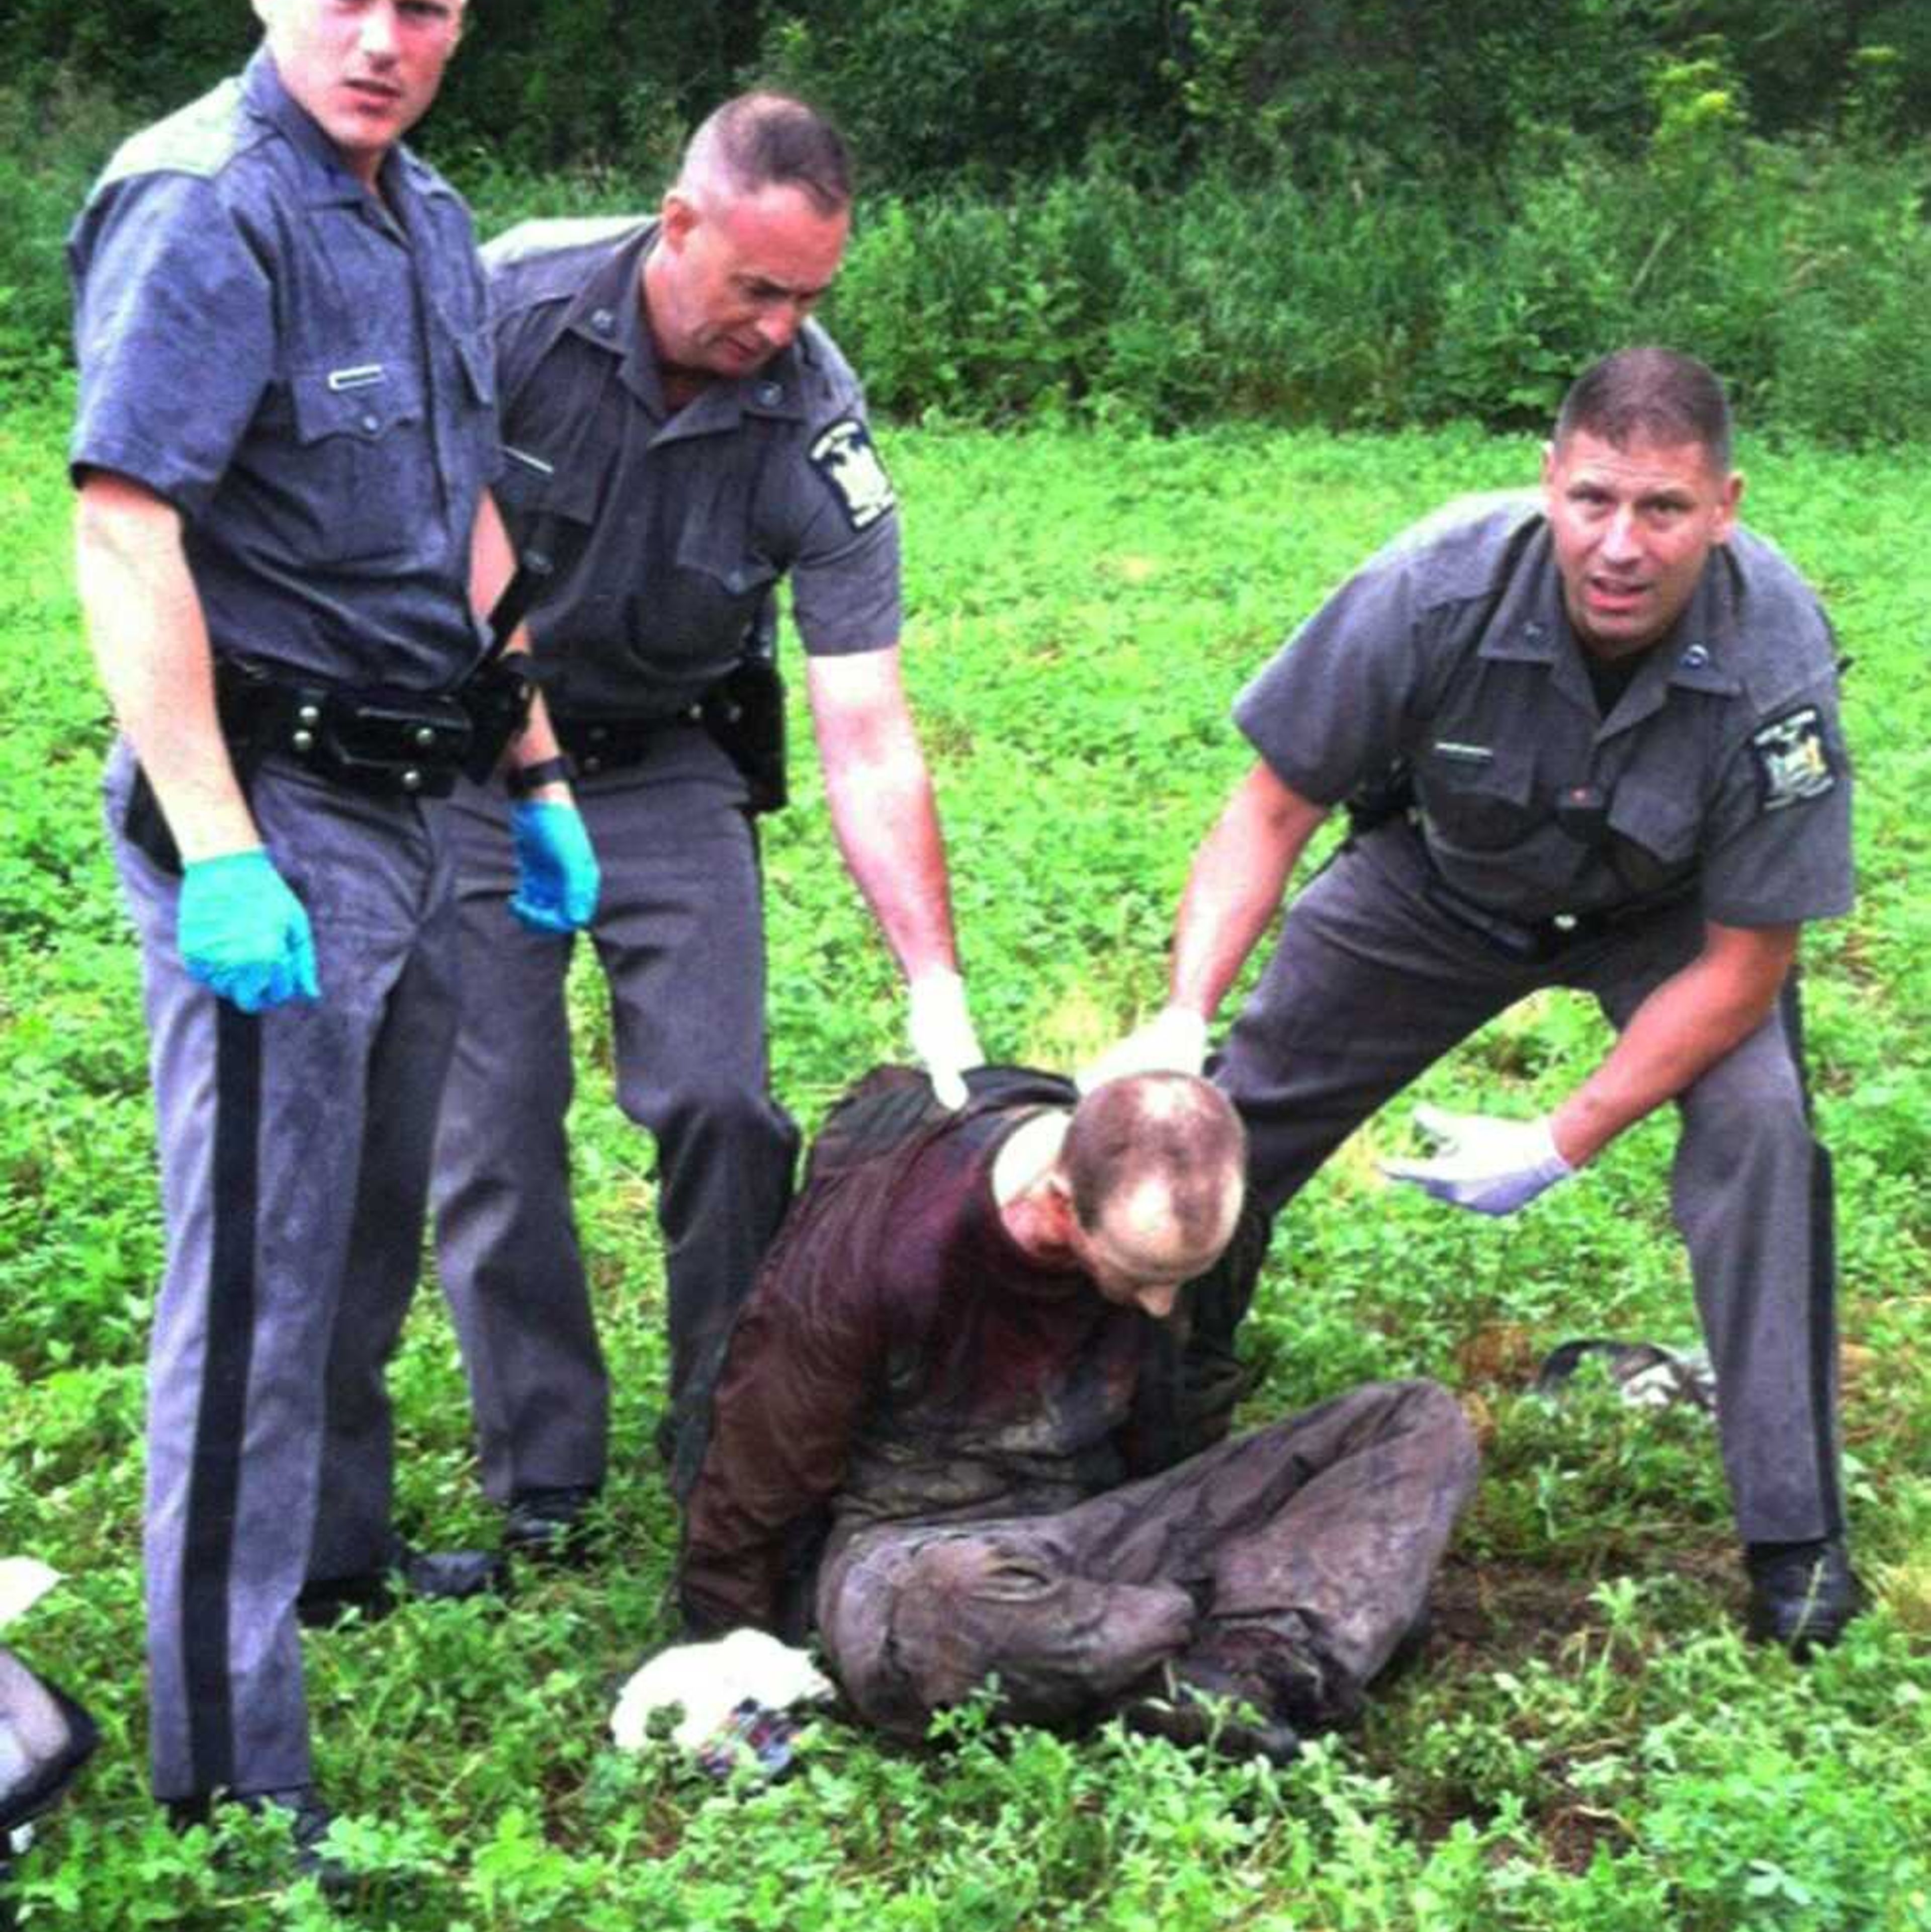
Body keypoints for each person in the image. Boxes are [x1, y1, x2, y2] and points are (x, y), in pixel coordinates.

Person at [68, 0, 598, 1866]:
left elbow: (464, 513)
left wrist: (536, 768)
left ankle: (343, 1554)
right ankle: (225, 1768)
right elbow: (128, 532)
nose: (382, 35)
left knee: (370, 1224)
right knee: (259, 1284)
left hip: (425, 793)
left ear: (459, 15)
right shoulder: (207, 207)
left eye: (423, 2)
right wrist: (218, 846)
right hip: (270, 802)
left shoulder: (422, 214)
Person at [1087, 348, 1859, 1654]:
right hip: (1441, 884)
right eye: (1596, 498)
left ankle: (1795, 1533)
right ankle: (1147, 1387)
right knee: (1226, 1111)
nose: (1621, 543)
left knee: (1763, 1133)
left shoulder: (1778, 663)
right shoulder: (1431, 584)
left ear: (1724, 506)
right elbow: (1273, 806)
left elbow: (1745, 960)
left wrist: (1563, 1136)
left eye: (1663, 509)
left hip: (1666, 920)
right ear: (1550, 480)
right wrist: (1179, 1013)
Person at [430, 93, 982, 1536]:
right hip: (485, 757)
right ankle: (545, 1469)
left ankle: (725, 1443)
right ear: (678, 223)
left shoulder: (817, 421)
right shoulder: (508, 307)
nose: (781, 326)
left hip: (669, 758)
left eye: (811, 294)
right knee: (492, 1124)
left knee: (723, 1104)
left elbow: (865, 724)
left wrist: (936, 986)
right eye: (756, 288)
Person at [678, 1065, 1478, 1758]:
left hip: (1115, 1523)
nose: (1165, 1303)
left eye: (1183, 1278)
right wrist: (728, 1643)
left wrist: (1204, 1520)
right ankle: (1241, 1651)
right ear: (1060, 1204)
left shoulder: (1202, 1228)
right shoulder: (885, 1246)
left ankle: (1212, 1672)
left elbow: (1193, 1404)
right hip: (919, 1545)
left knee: (1418, 1420)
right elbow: (762, 1454)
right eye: (1140, 1276)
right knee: (948, 1607)